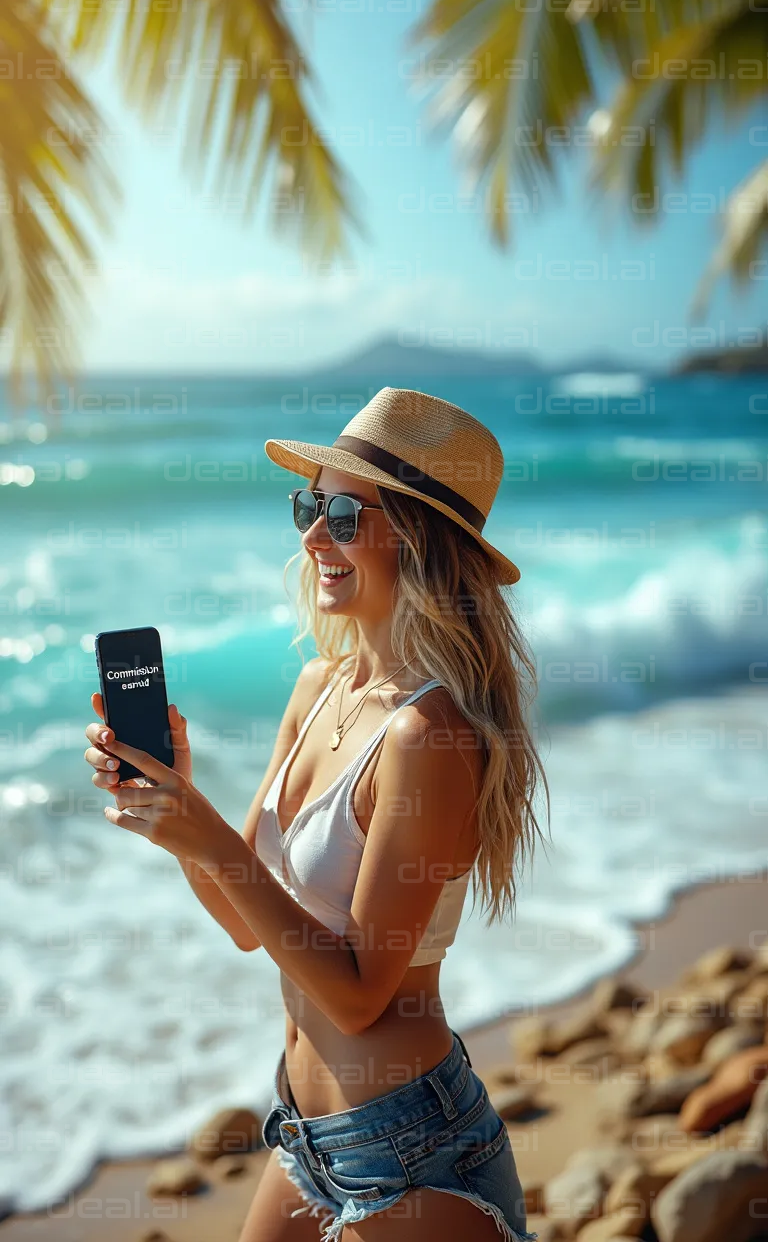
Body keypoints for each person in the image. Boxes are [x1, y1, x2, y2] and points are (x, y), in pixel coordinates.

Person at [84, 387, 549, 1241]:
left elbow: (360, 996)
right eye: (309, 505)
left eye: (341, 512)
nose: (310, 536)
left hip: (415, 1151)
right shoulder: (318, 687)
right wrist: (175, 811)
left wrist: (212, 838)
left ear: (417, 535)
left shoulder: (428, 735)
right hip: (303, 1135)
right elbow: (244, 923)